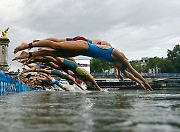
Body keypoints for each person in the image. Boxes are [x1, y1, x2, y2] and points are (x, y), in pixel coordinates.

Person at [13, 38, 153, 91]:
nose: (117, 68)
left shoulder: (116, 63)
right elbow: (133, 71)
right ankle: (28, 45)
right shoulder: (119, 55)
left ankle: (29, 55)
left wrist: (141, 84)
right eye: (119, 67)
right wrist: (144, 81)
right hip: (85, 46)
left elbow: (129, 74)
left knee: (55, 54)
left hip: (83, 52)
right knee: (56, 45)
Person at [22, 56, 102, 91]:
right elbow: (92, 80)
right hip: (71, 66)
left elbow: (78, 84)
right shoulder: (86, 76)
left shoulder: (75, 78)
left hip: (64, 69)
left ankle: (31, 60)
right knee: (52, 61)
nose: (79, 81)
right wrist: (98, 88)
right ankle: (38, 56)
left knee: (47, 63)